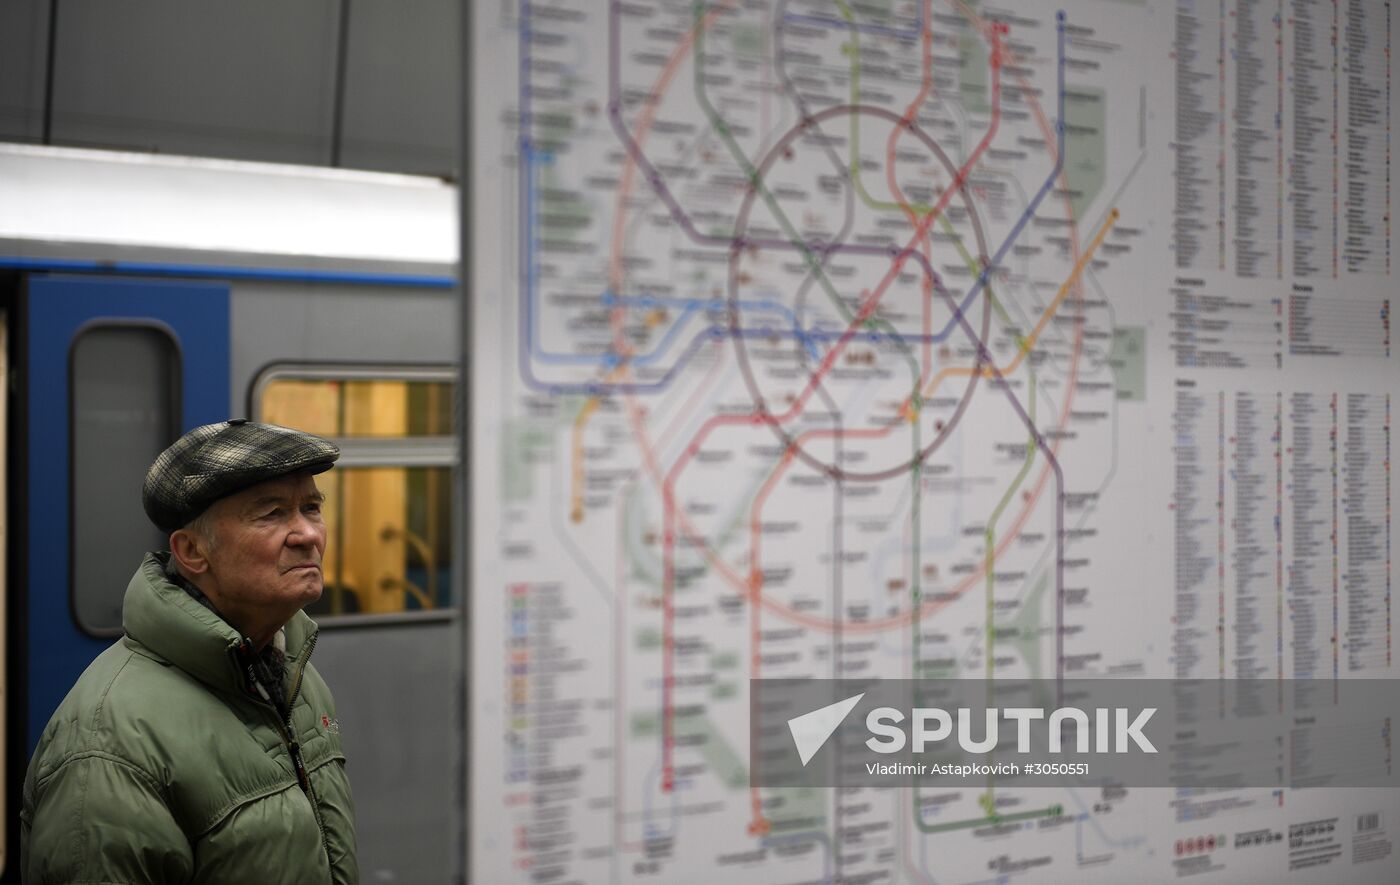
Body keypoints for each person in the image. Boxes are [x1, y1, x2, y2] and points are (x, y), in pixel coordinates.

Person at [20, 419, 359, 884]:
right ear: (192, 552)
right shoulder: (110, 745)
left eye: (312, 507)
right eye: (273, 513)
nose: (308, 535)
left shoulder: (295, 676)